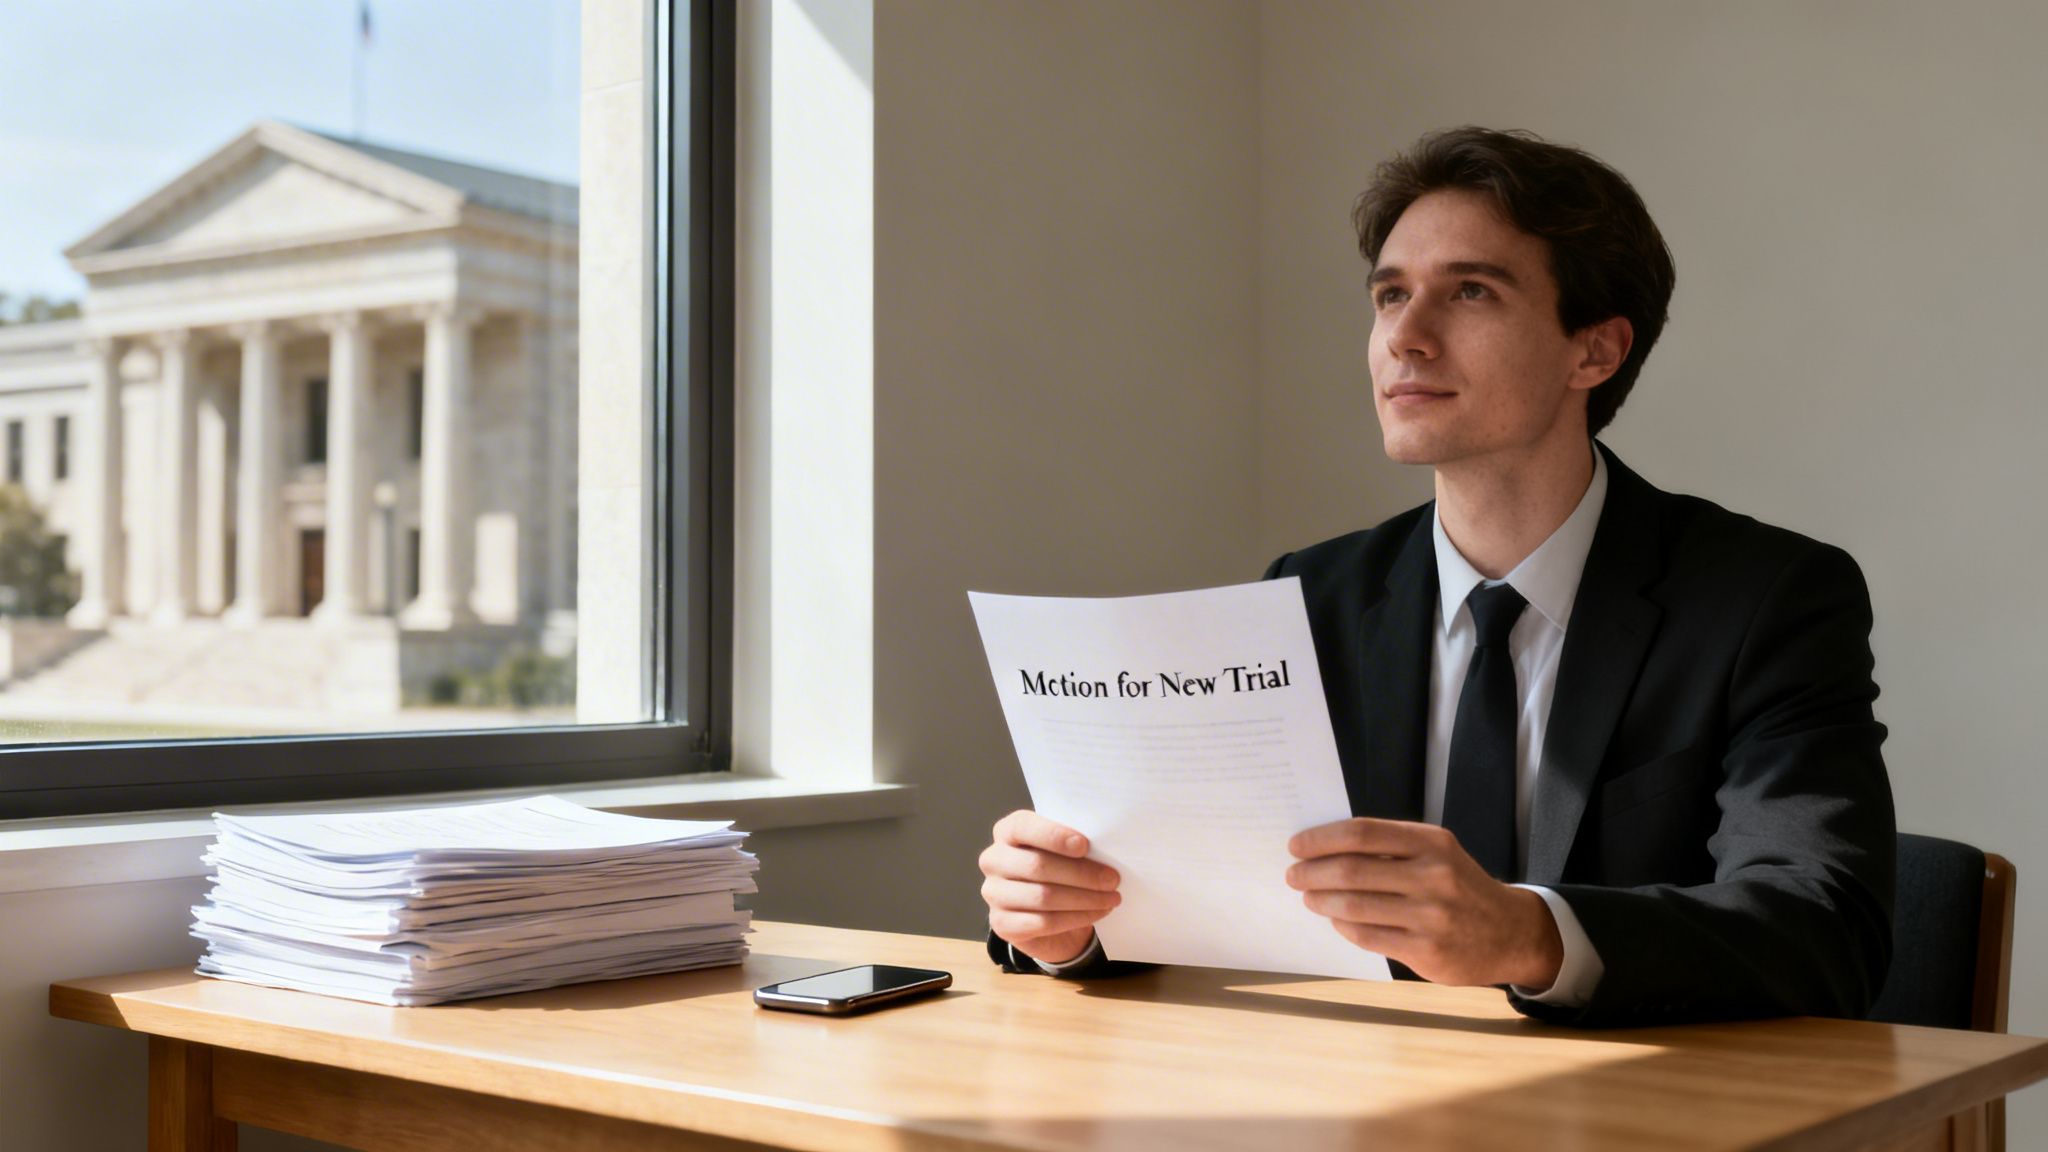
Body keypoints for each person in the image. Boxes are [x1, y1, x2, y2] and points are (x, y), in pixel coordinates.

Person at [977, 126, 1895, 1027]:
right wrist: (1073, 924)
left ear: (1596, 351)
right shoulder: (1308, 595)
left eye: (1469, 293)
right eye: (1389, 296)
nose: (1405, 339)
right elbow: (1230, 911)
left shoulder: (1769, 598)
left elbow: (1823, 929)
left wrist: (1530, 934)